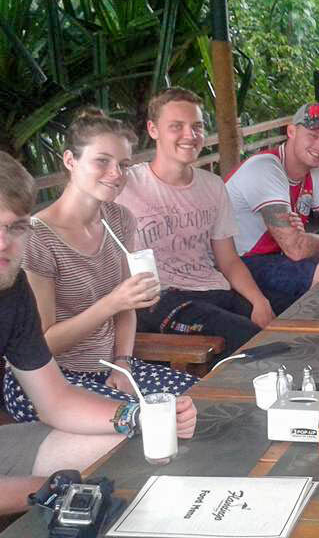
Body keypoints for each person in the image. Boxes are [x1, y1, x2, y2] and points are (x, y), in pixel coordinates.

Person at [0, 151, 197, 515]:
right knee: (91, 494)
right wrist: (48, 490)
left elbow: (56, 401)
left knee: (148, 444)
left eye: (15, 227)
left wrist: (135, 417)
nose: (2, 243)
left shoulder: (12, 292)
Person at [3, 111, 197, 423]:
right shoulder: (37, 237)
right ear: (70, 160)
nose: (116, 174)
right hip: (51, 381)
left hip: (112, 370)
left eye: (123, 165)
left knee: (201, 400)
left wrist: (123, 362)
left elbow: (126, 309)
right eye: (102, 161)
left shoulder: (119, 220)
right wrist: (113, 302)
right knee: (157, 423)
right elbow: (43, 342)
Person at [116, 87, 272, 355]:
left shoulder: (212, 186)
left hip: (212, 289)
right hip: (159, 300)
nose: (190, 135)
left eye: (197, 126)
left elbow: (229, 260)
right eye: (176, 126)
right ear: (153, 130)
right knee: (252, 341)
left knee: (280, 322)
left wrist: (259, 301)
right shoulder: (124, 185)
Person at [225, 102, 319, 314]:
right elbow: (298, 249)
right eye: (313, 135)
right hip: (240, 262)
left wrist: (311, 240)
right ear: (291, 131)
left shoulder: (315, 169)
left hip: (278, 255)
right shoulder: (265, 168)